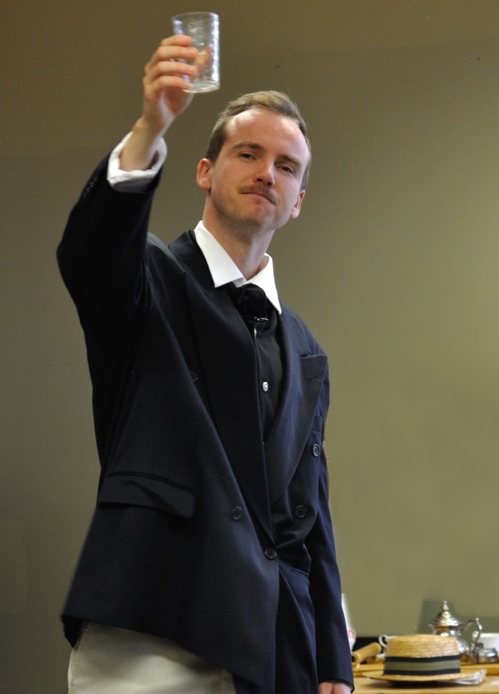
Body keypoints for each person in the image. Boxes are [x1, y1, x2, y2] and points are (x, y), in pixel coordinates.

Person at [57, 35, 353, 694]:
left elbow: (311, 514)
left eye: (286, 165)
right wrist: (149, 126)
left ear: (299, 199)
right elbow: (91, 253)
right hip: (150, 631)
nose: (266, 173)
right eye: (248, 153)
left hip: (270, 639)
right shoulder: (147, 279)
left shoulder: (306, 350)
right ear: (203, 171)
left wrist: (333, 657)